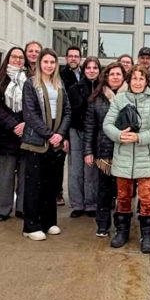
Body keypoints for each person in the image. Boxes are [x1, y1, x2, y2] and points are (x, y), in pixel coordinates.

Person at [103, 65, 150, 253]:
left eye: (141, 78)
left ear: (147, 81)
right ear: (129, 81)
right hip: (124, 157)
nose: (137, 82)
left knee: (147, 198)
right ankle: (122, 231)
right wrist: (119, 135)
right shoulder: (119, 99)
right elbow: (107, 124)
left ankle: (147, 234)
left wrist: (139, 137)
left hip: (147, 158)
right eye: (134, 78)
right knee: (123, 196)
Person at [19, 48, 71, 241]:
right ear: (39, 63)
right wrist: (49, 134)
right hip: (37, 140)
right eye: (46, 62)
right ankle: (31, 225)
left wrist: (60, 134)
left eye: (52, 62)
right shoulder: (31, 84)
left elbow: (68, 111)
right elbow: (30, 114)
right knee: (34, 185)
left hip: (55, 141)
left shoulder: (59, 83)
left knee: (51, 184)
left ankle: (49, 222)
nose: (49, 65)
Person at [83, 62, 127, 236]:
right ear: (106, 77)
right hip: (104, 152)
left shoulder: (131, 96)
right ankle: (102, 224)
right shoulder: (96, 98)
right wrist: (88, 151)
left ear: (124, 77)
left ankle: (122, 225)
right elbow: (90, 128)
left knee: (123, 192)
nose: (115, 77)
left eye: (118, 74)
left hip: (125, 151)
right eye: (112, 74)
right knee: (104, 191)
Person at [0, 47, 27, 221]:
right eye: (14, 57)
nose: (17, 60)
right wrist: (14, 125)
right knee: (6, 176)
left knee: (24, 175)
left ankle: (21, 207)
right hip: (6, 135)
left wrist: (25, 123)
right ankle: (4, 209)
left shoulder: (29, 79)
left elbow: (33, 105)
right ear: (8, 59)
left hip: (26, 134)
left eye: (21, 57)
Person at [67, 56, 100, 218]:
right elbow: (68, 112)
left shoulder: (103, 89)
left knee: (91, 169)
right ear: (84, 69)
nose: (91, 71)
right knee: (76, 170)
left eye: (95, 68)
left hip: (95, 132)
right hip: (76, 131)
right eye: (88, 67)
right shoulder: (74, 88)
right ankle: (78, 204)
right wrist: (65, 136)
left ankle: (91, 203)